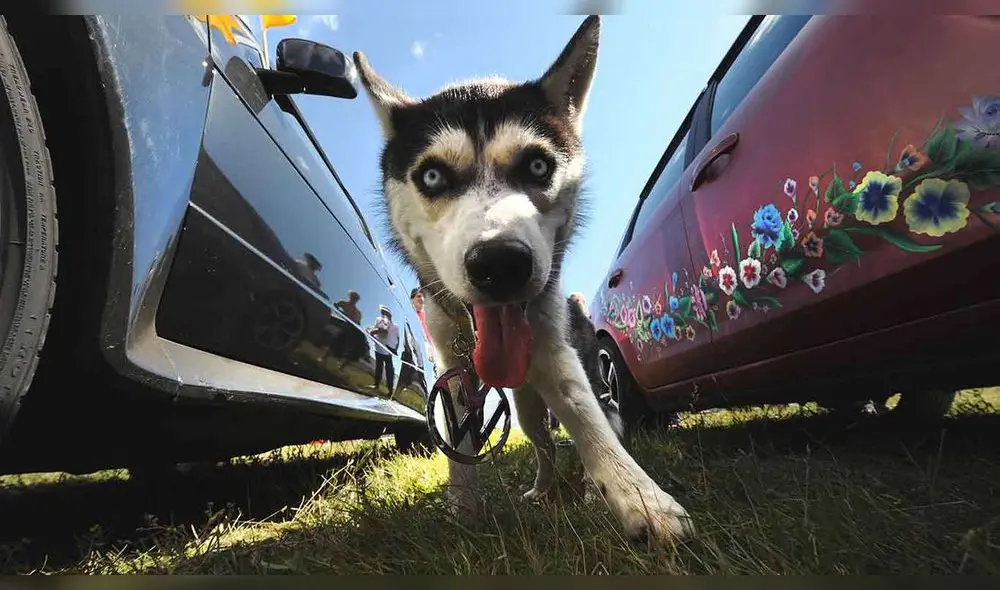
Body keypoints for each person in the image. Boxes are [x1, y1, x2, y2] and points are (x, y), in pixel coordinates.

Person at [367, 305, 400, 393]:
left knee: (389, 371)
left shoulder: (395, 327)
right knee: (379, 367)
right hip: (379, 348)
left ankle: (390, 390)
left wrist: (395, 349)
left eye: (385, 313)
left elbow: (397, 338)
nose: (383, 314)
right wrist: (372, 332)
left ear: (389, 315)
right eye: (382, 312)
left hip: (388, 351)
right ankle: (376, 385)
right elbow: (376, 331)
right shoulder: (379, 320)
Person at [410, 287, 435, 367]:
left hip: (431, 351)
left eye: (423, 296)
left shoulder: (426, 315)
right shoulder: (410, 315)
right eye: (418, 296)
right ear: (412, 299)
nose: (422, 299)